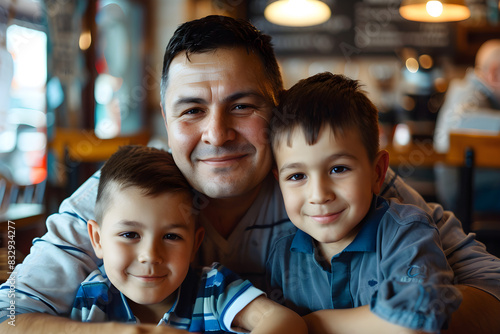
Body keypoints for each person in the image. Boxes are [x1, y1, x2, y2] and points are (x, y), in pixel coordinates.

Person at [0, 15, 499, 334]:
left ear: (276, 109)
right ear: (165, 120)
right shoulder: (124, 193)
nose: (217, 134)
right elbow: (9, 314)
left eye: (241, 106)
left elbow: (492, 292)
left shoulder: (330, 181)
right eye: (191, 110)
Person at [267, 72, 462, 334]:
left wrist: (307, 324)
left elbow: (413, 323)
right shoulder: (281, 255)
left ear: (377, 173)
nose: (319, 194)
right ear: (278, 181)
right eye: (297, 176)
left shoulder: (406, 233)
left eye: (338, 169)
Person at [70, 145, 306, 333]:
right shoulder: (93, 297)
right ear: (98, 239)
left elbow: (286, 321)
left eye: (171, 236)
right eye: (130, 235)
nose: (151, 255)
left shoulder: (213, 290)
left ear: (195, 243)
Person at [434, 39, 500, 214]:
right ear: (494, 73)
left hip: (471, 188)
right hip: (463, 193)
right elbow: (460, 122)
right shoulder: (468, 93)